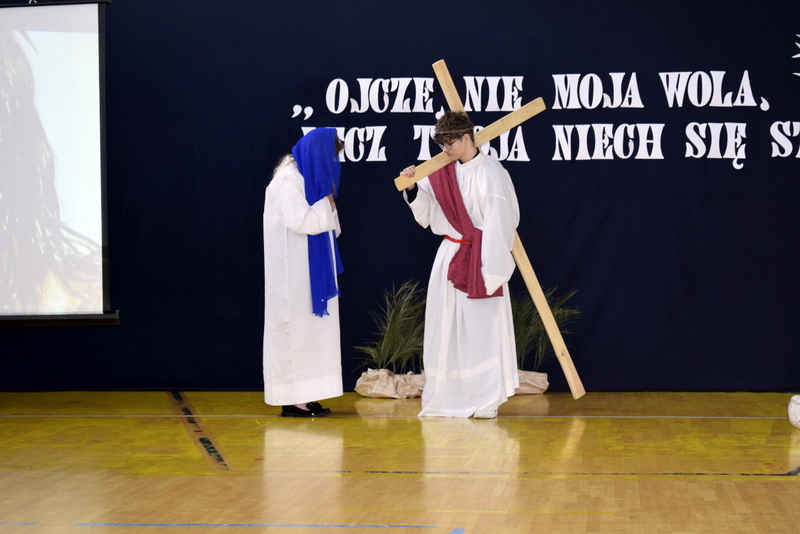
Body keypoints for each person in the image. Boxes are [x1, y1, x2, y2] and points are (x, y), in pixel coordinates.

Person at [400, 111, 520, 419]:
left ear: (466, 138)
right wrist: (413, 187)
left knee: (482, 330)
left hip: (482, 258)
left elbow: (501, 221)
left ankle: (486, 398)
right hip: (451, 255)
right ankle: (448, 395)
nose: (445, 151)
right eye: (441, 145)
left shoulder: (492, 173)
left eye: (449, 144)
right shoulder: (441, 170)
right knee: (447, 328)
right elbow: (428, 212)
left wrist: (490, 267)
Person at [263, 128, 345, 417]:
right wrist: (326, 203)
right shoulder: (288, 179)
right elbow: (300, 221)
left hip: (311, 271)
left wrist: (327, 204)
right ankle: (293, 399)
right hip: (293, 274)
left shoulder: (307, 177)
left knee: (313, 334)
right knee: (295, 333)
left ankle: (307, 394)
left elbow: (329, 225)